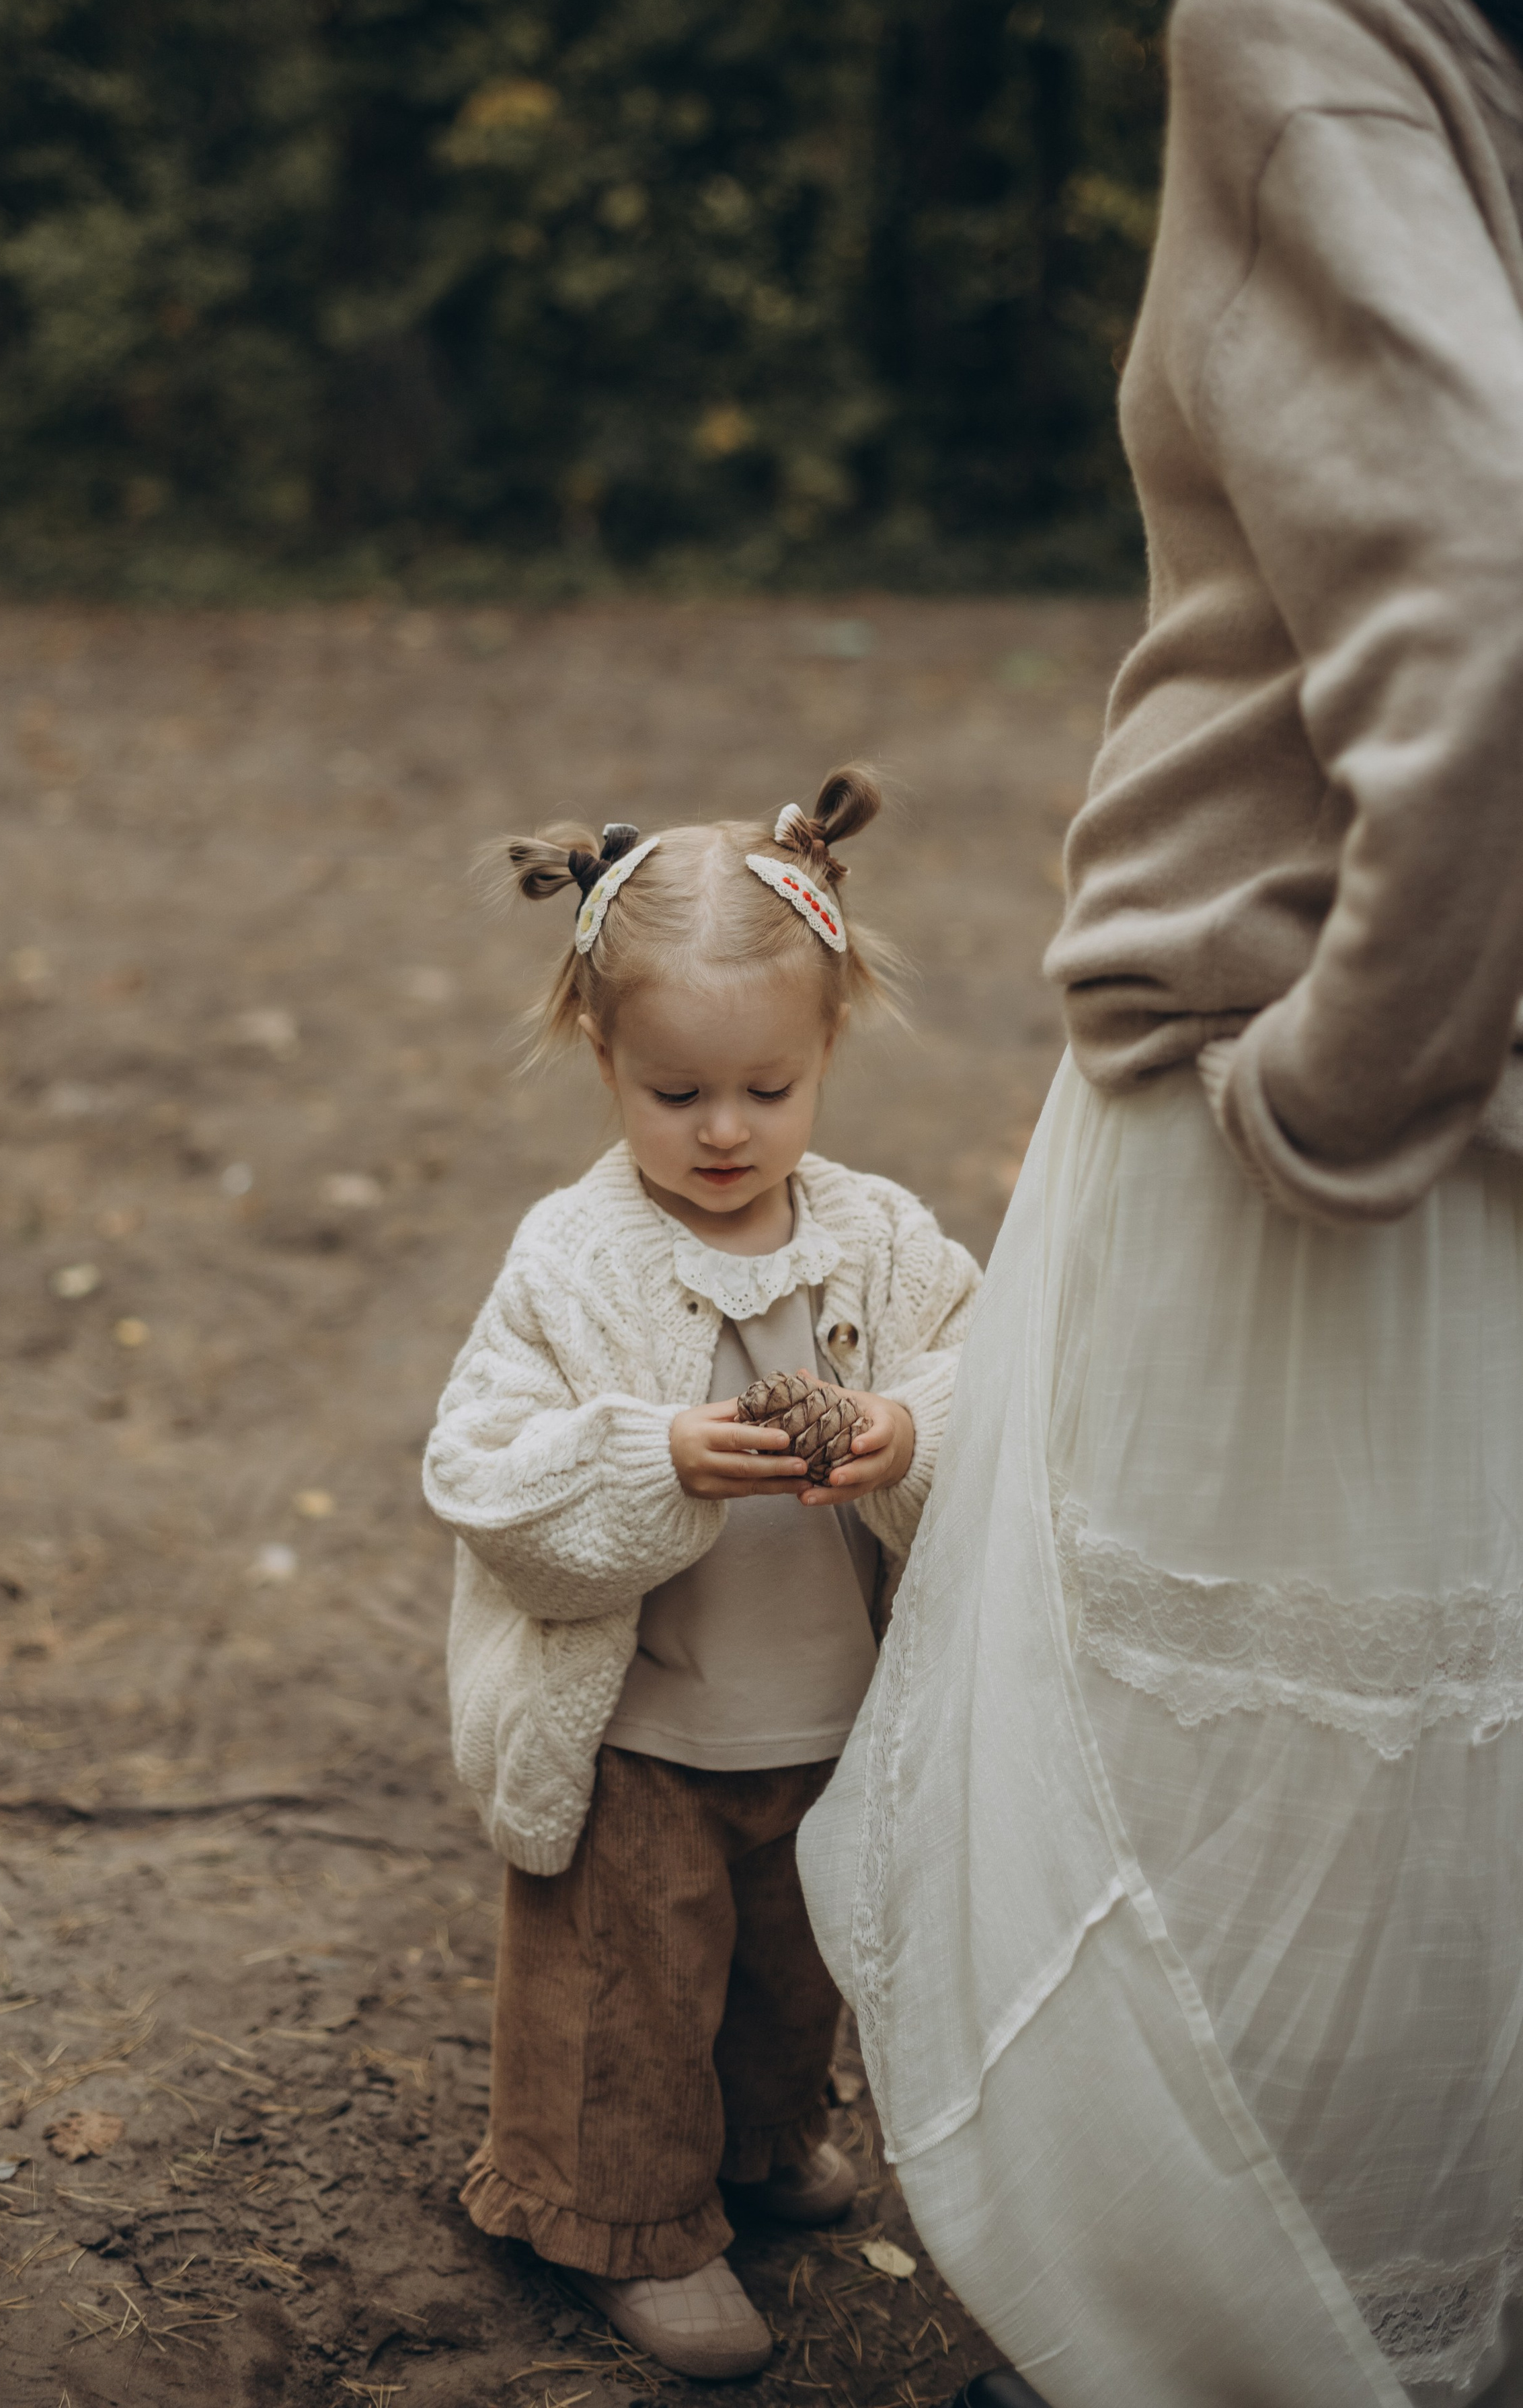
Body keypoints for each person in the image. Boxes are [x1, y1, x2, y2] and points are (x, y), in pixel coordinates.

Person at [797, 0, 1523, 2408]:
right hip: (1451, 1095)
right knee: (1412, 1780)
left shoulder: (1289, 2)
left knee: (1219, 1788)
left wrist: (1345, 1079)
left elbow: (1485, 592)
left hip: (1305, 1107)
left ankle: (1210, 2342)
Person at [422, 768, 982, 2381]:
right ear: (601, 1055)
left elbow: (988, 1373)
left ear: (828, 1045)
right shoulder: (571, 1260)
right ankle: (623, 2220)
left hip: (822, 1715)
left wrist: (900, 1429)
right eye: (674, 1094)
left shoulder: (878, 1239)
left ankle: (754, 2142)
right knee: (629, 1990)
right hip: (638, 1735)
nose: (723, 1130)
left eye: (766, 1086)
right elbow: (477, 1469)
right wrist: (647, 1456)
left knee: (786, 1970)